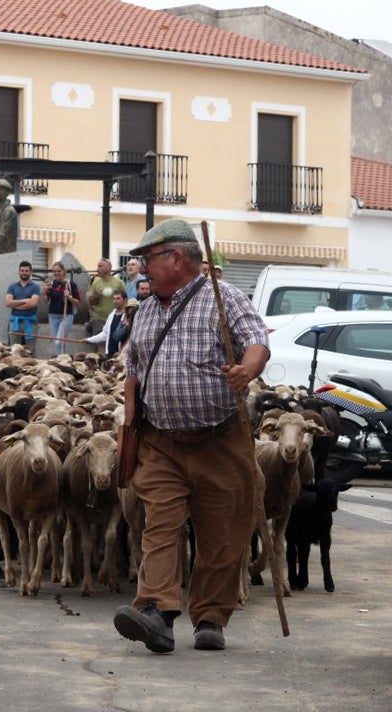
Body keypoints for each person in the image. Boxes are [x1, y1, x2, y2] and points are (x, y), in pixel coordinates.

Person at [113, 218, 269, 654]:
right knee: (159, 525)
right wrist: (130, 419)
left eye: (148, 259)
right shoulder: (144, 310)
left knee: (221, 532)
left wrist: (247, 369)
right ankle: (156, 613)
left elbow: (256, 340)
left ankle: (211, 616)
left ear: (176, 258)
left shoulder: (224, 298)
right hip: (161, 441)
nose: (142, 268)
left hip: (219, 439)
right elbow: (135, 368)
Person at [44, 262, 81, 354]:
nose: (56, 273)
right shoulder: (51, 285)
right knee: (60, 343)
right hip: (53, 316)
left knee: (58, 342)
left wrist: (69, 297)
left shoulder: (71, 284)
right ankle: (63, 361)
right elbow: (45, 302)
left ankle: (59, 361)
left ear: (63, 271)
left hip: (66, 316)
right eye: (54, 271)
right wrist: (44, 293)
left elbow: (78, 302)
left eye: (59, 271)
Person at [83, 291, 131, 357]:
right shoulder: (111, 315)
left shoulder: (128, 316)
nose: (115, 301)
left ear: (125, 300)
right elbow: (105, 334)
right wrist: (89, 340)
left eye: (118, 298)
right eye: (114, 299)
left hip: (122, 354)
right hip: (110, 353)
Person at [5, 260, 41, 344]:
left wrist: (14, 305)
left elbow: (32, 303)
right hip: (15, 322)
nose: (24, 273)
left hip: (30, 322)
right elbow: (7, 303)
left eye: (26, 271)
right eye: (22, 271)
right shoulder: (12, 287)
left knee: (30, 350)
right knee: (14, 349)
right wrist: (24, 300)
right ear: (19, 272)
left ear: (30, 272)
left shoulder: (35, 287)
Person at [87, 259, 125, 336]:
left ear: (108, 267)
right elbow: (90, 302)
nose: (97, 269)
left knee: (114, 344)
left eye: (100, 266)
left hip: (116, 318)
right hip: (99, 319)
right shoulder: (96, 282)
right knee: (100, 345)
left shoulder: (119, 283)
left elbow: (126, 300)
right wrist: (97, 294)